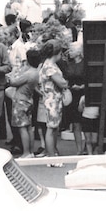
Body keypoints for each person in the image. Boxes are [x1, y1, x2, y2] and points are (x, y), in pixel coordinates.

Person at [37, 39, 68, 167]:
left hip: (52, 98)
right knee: (51, 128)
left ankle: (52, 154)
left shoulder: (47, 64)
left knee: (54, 127)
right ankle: (51, 157)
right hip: (52, 100)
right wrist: (65, 83)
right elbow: (61, 82)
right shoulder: (50, 66)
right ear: (57, 53)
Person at [8, 48, 42, 158]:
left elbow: (13, 82)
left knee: (22, 128)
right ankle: (30, 151)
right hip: (29, 100)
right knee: (29, 127)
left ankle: (26, 152)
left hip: (20, 101)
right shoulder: (36, 73)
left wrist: (12, 74)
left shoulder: (28, 74)